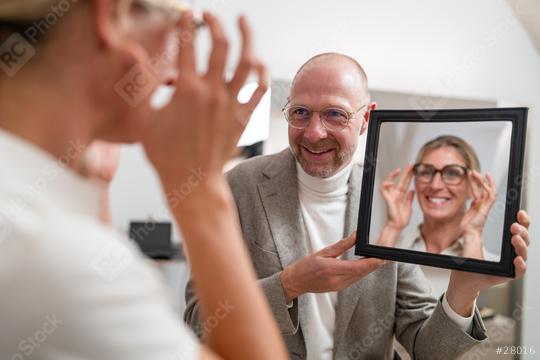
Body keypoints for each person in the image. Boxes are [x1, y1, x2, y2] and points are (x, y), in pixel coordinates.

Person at [183, 53, 531, 359]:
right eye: (300, 112)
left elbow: (428, 350)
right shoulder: (238, 186)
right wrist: (288, 285)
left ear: (366, 119)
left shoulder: (389, 204)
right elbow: (199, 321)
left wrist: (463, 289)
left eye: (335, 114)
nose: (314, 132)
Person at [0, 0, 289, 359]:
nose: (171, 76)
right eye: (184, 27)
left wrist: (98, 186)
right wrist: (200, 188)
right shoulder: (56, 252)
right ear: (112, 16)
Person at [379, 135, 500, 263]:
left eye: (452, 173)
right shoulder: (388, 243)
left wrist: (472, 234)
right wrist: (393, 226)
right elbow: (368, 282)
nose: (435, 185)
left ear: (473, 186)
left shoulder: (494, 266)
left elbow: (475, 283)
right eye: (426, 172)